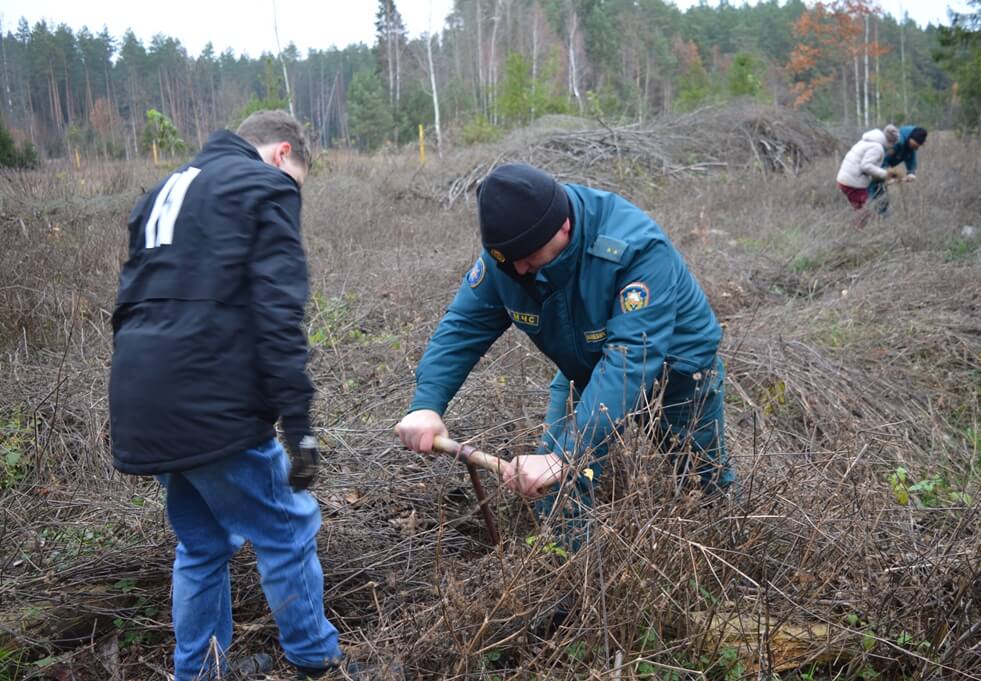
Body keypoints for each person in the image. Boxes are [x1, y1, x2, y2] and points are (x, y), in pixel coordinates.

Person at [109, 111, 356, 680]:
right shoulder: (264, 184)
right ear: (281, 154)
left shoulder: (163, 191)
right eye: (297, 181)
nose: (293, 196)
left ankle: (199, 673)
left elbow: (131, 305)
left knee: (202, 544)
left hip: (144, 397)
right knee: (289, 529)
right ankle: (317, 660)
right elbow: (278, 313)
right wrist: (300, 428)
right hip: (209, 403)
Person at [395, 163, 732, 541]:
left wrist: (568, 454)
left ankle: (726, 555)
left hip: (679, 371)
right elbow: (464, 325)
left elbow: (629, 359)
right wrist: (426, 404)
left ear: (564, 229)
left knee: (703, 478)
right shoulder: (509, 256)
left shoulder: (634, 248)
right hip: (585, 368)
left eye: (530, 256)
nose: (521, 270)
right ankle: (575, 590)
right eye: (510, 261)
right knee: (557, 489)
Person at [837, 125, 900, 227]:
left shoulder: (867, 141)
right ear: (891, 142)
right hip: (852, 183)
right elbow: (866, 166)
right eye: (893, 144)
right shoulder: (877, 147)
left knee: (859, 209)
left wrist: (885, 177)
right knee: (864, 211)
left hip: (845, 179)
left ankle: (855, 231)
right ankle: (855, 233)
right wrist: (886, 173)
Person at [868, 125, 928, 213]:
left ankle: (881, 216)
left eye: (917, 147)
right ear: (910, 138)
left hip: (883, 171)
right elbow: (882, 158)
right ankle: (869, 214)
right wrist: (889, 174)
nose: (916, 148)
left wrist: (911, 173)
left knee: (882, 198)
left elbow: (911, 158)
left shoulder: (910, 146)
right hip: (872, 168)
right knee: (871, 194)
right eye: (915, 145)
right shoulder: (897, 142)